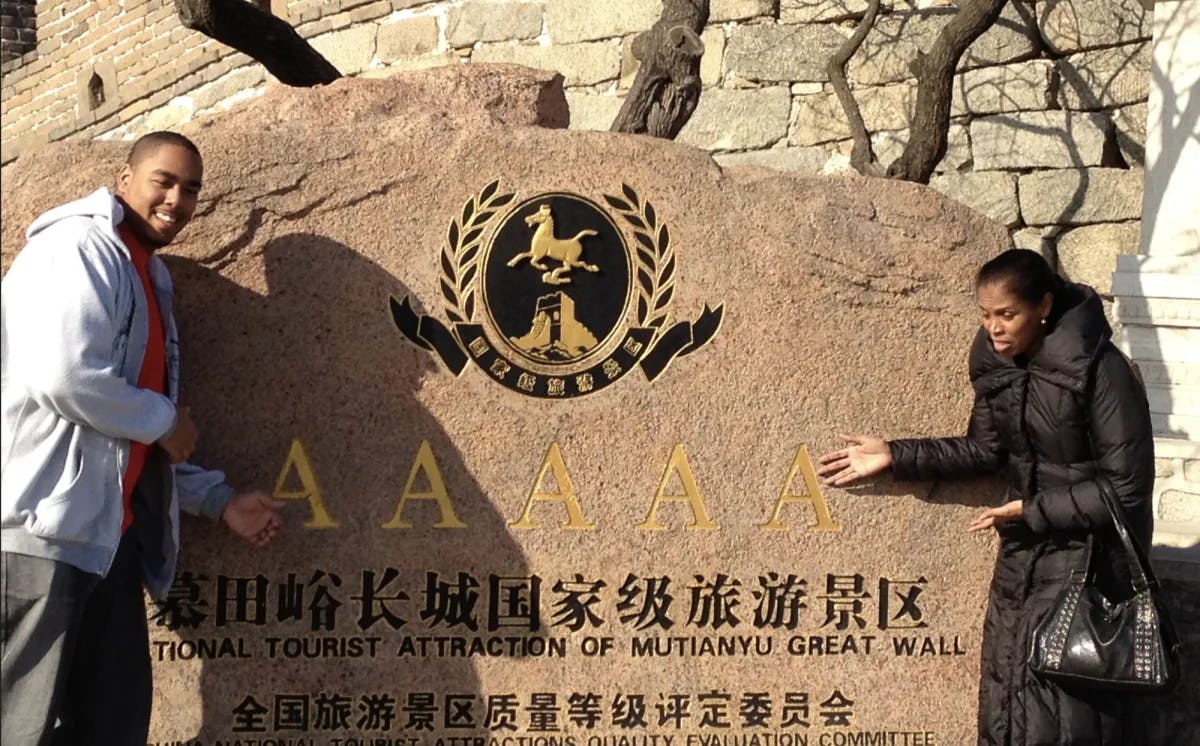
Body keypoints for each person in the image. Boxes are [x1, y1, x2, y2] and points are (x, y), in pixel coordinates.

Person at [1, 131, 285, 745]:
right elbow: (65, 375)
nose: (177, 199)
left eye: (191, 190)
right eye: (164, 180)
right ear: (124, 177)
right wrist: (163, 421)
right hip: (39, 539)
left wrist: (217, 500)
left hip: (107, 543)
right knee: (19, 727)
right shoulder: (78, 247)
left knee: (114, 727)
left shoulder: (148, 278)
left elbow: (127, 437)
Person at [817, 248, 1155, 746]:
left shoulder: (1102, 370)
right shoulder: (999, 367)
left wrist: (1033, 510)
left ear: (1042, 305)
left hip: (1089, 562)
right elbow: (985, 449)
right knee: (1007, 700)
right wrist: (895, 455)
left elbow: (1126, 487)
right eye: (985, 315)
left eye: (1006, 315)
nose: (994, 328)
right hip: (1024, 556)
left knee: (1068, 712)